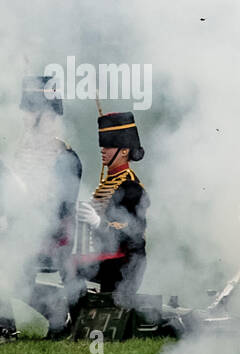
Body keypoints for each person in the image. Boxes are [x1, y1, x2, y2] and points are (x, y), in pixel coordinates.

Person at [10, 76, 83, 328]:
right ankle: (2, 323)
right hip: (23, 231)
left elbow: (61, 208)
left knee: (3, 268)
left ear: (48, 116)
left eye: (30, 109)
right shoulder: (21, 153)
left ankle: (55, 308)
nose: (24, 116)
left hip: (51, 238)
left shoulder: (64, 158)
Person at [75, 111, 149, 304]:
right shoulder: (110, 182)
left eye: (109, 145)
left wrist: (98, 222)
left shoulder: (131, 187)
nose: (103, 150)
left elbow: (133, 232)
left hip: (125, 263)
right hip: (107, 256)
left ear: (124, 151)